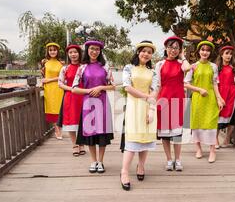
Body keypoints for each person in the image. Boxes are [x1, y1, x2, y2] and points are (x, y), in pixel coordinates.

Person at [119, 41, 159, 191]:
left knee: (145, 139)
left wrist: (151, 109)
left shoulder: (153, 72)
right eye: (143, 51)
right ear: (138, 52)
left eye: (149, 52)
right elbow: (127, 87)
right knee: (132, 141)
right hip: (133, 107)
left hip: (148, 107)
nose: (146, 54)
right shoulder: (129, 68)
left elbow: (155, 91)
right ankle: (124, 172)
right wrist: (146, 97)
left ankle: (141, 166)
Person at [72, 40, 115, 174]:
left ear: (100, 51)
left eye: (97, 49)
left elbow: (113, 86)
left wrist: (101, 87)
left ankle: (101, 162)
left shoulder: (105, 67)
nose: (94, 51)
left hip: (102, 103)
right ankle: (93, 161)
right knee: (90, 133)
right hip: (88, 104)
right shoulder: (82, 68)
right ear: (87, 50)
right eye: (92, 49)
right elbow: (74, 88)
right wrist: (89, 91)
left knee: (102, 133)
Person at [184, 40, 224, 163]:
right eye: (203, 49)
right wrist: (199, 89)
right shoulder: (193, 66)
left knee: (211, 123)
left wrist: (219, 98)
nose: (205, 52)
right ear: (199, 51)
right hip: (197, 99)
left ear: (210, 52)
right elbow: (185, 84)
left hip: (211, 99)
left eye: (207, 50)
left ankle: (212, 151)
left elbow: (215, 84)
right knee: (196, 123)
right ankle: (198, 149)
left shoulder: (214, 66)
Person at [156, 36, 191, 171]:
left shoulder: (182, 64)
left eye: (176, 48)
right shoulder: (160, 64)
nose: (173, 50)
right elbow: (158, 84)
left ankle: (178, 159)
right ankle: (169, 159)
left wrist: (182, 56)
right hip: (164, 99)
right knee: (165, 134)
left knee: (177, 134)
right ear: (166, 48)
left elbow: (188, 68)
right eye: (171, 47)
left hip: (177, 100)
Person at [57, 44, 85, 157]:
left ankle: (82, 143)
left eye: (75, 52)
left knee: (82, 121)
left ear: (79, 53)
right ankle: (74, 145)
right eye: (70, 52)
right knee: (71, 121)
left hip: (83, 96)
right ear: (68, 55)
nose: (73, 54)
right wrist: (72, 89)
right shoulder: (65, 68)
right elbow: (60, 84)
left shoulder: (84, 67)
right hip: (70, 97)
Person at [216, 45, 235, 147]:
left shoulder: (234, 68)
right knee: (217, 117)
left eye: (230, 54)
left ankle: (227, 139)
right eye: (227, 53)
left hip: (232, 95)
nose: (229, 56)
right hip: (220, 94)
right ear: (221, 55)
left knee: (232, 118)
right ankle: (215, 140)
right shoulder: (216, 68)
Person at [42, 42, 64, 139]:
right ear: (48, 51)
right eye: (50, 50)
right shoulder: (44, 63)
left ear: (57, 51)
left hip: (59, 87)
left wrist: (49, 80)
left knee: (59, 108)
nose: (52, 52)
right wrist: (43, 82)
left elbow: (62, 77)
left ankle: (59, 128)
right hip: (49, 89)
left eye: (54, 50)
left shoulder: (61, 63)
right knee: (52, 108)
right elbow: (43, 76)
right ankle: (56, 129)